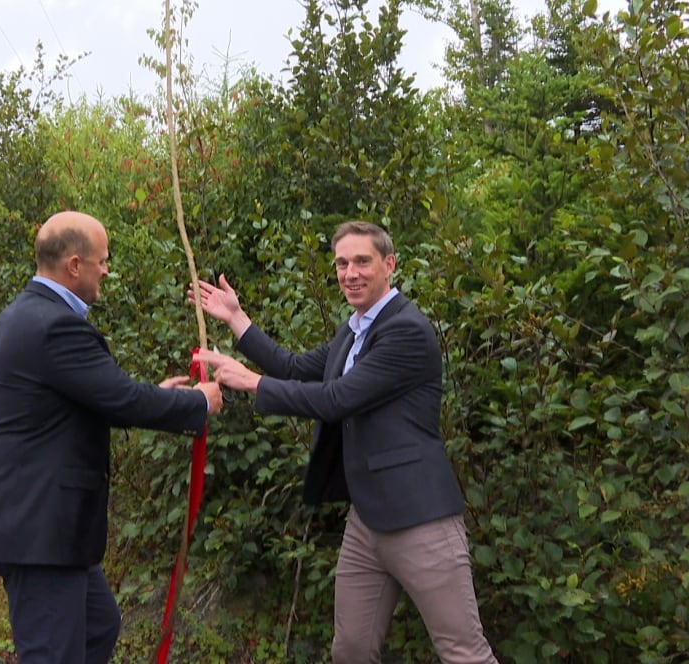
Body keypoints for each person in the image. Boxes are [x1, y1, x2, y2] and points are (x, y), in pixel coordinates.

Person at [193, 221, 497, 664]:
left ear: (389, 265)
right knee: (351, 650)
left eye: (361, 261)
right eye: (341, 263)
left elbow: (337, 399)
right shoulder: (353, 330)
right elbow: (295, 367)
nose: (350, 273)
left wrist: (253, 383)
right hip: (367, 521)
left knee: (463, 652)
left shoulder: (405, 331)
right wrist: (237, 319)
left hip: (421, 520)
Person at [0, 210, 222, 664]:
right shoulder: (55, 325)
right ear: (73, 265)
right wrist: (200, 403)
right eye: (101, 261)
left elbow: (86, 398)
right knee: (54, 654)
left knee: (98, 626)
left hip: (44, 526)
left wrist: (153, 396)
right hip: (40, 532)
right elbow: (121, 398)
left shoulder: (26, 314)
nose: (106, 269)